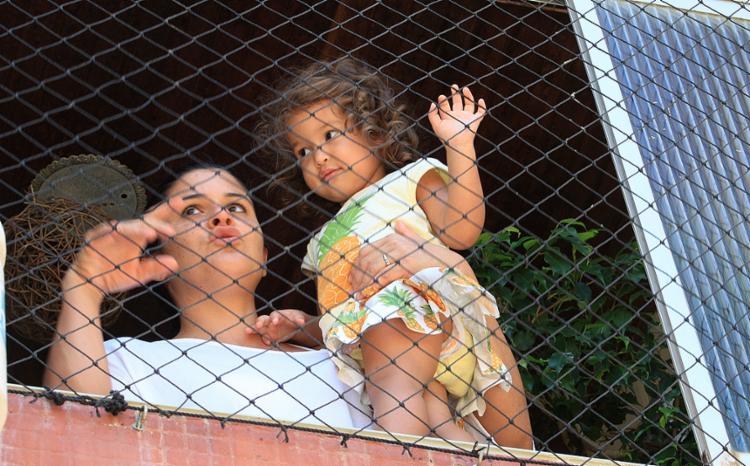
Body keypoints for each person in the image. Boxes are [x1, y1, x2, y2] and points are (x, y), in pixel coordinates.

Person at [255, 58, 532, 447]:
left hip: (426, 321)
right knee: (435, 415)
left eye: (330, 134)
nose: (317, 157)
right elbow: (342, 321)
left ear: (375, 133)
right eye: (302, 151)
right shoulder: (322, 241)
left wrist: (459, 146)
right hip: (394, 362)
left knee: (392, 335)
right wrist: (303, 326)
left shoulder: (409, 179)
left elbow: (462, 229)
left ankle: (396, 445)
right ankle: (452, 446)